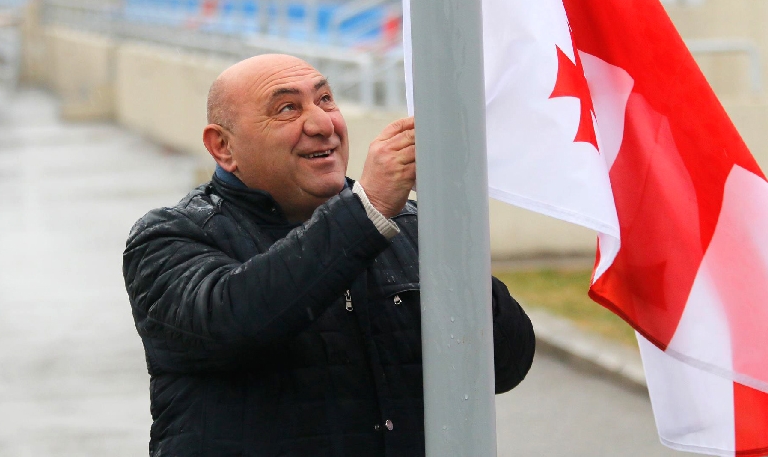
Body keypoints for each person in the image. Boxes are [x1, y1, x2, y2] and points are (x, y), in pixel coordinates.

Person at [123, 53, 535, 457]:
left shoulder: (405, 223)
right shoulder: (169, 237)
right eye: (287, 108)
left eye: (325, 99)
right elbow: (234, 323)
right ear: (223, 146)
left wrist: (451, 218)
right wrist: (367, 211)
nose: (323, 124)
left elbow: (505, 365)